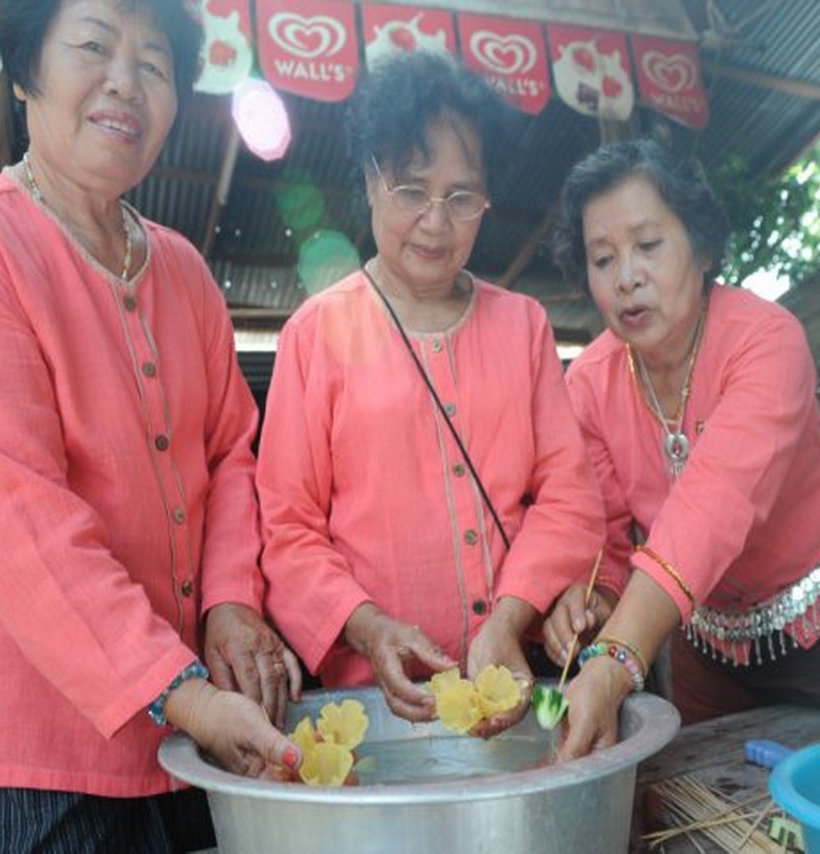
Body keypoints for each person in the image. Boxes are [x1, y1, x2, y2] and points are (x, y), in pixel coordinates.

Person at [0, 0, 302, 848]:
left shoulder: (184, 271)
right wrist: (182, 691)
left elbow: (230, 453)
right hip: (27, 753)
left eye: (154, 64)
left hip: (188, 736)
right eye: (92, 45)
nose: (126, 82)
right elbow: (15, 515)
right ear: (25, 72)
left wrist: (230, 603)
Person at [542, 139, 820, 760]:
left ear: (702, 249)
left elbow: (713, 504)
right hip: (706, 633)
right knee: (708, 792)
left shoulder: (767, 340)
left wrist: (617, 657)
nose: (627, 277)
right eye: (602, 258)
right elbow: (610, 542)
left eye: (649, 245)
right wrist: (595, 600)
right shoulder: (588, 385)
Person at [256, 52, 604, 733]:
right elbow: (287, 531)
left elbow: (570, 496)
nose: (436, 222)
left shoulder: (524, 326)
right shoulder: (314, 335)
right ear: (370, 181)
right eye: (412, 190)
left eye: (461, 196)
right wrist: (367, 628)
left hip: (517, 684)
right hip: (377, 707)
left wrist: (509, 621)